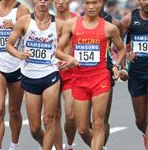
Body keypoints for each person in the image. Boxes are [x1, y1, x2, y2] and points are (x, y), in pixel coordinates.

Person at [55, 0, 126, 149]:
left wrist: (116, 65)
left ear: (101, 4)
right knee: (82, 128)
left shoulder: (109, 28)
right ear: (83, 5)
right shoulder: (71, 24)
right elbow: (58, 51)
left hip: (100, 78)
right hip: (79, 79)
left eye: (94, 3)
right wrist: (69, 58)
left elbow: (121, 49)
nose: (91, 7)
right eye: (87, 3)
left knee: (98, 123)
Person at [6, 0, 62, 149]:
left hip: (51, 74)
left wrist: (66, 59)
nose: (43, 1)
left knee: (49, 120)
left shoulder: (59, 24)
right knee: (35, 129)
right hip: (30, 76)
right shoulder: (24, 21)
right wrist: (19, 54)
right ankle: (46, 144)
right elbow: (9, 44)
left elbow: (66, 47)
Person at [0, 0, 29, 150]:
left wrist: (16, 28)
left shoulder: (21, 9)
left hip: (17, 65)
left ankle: (13, 146)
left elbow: (32, 36)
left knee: (14, 111)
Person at [120, 0, 148, 149]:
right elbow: (116, 45)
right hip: (136, 73)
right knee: (140, 120)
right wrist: (124, 63)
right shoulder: (129, 19)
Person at [54, 0, 77, 150]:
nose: (60, 2)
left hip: (70, 72)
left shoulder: (77, 20)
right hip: (51, 71)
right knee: (53, 116)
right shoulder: (46, 20)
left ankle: (69, 145)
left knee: (70, 116)